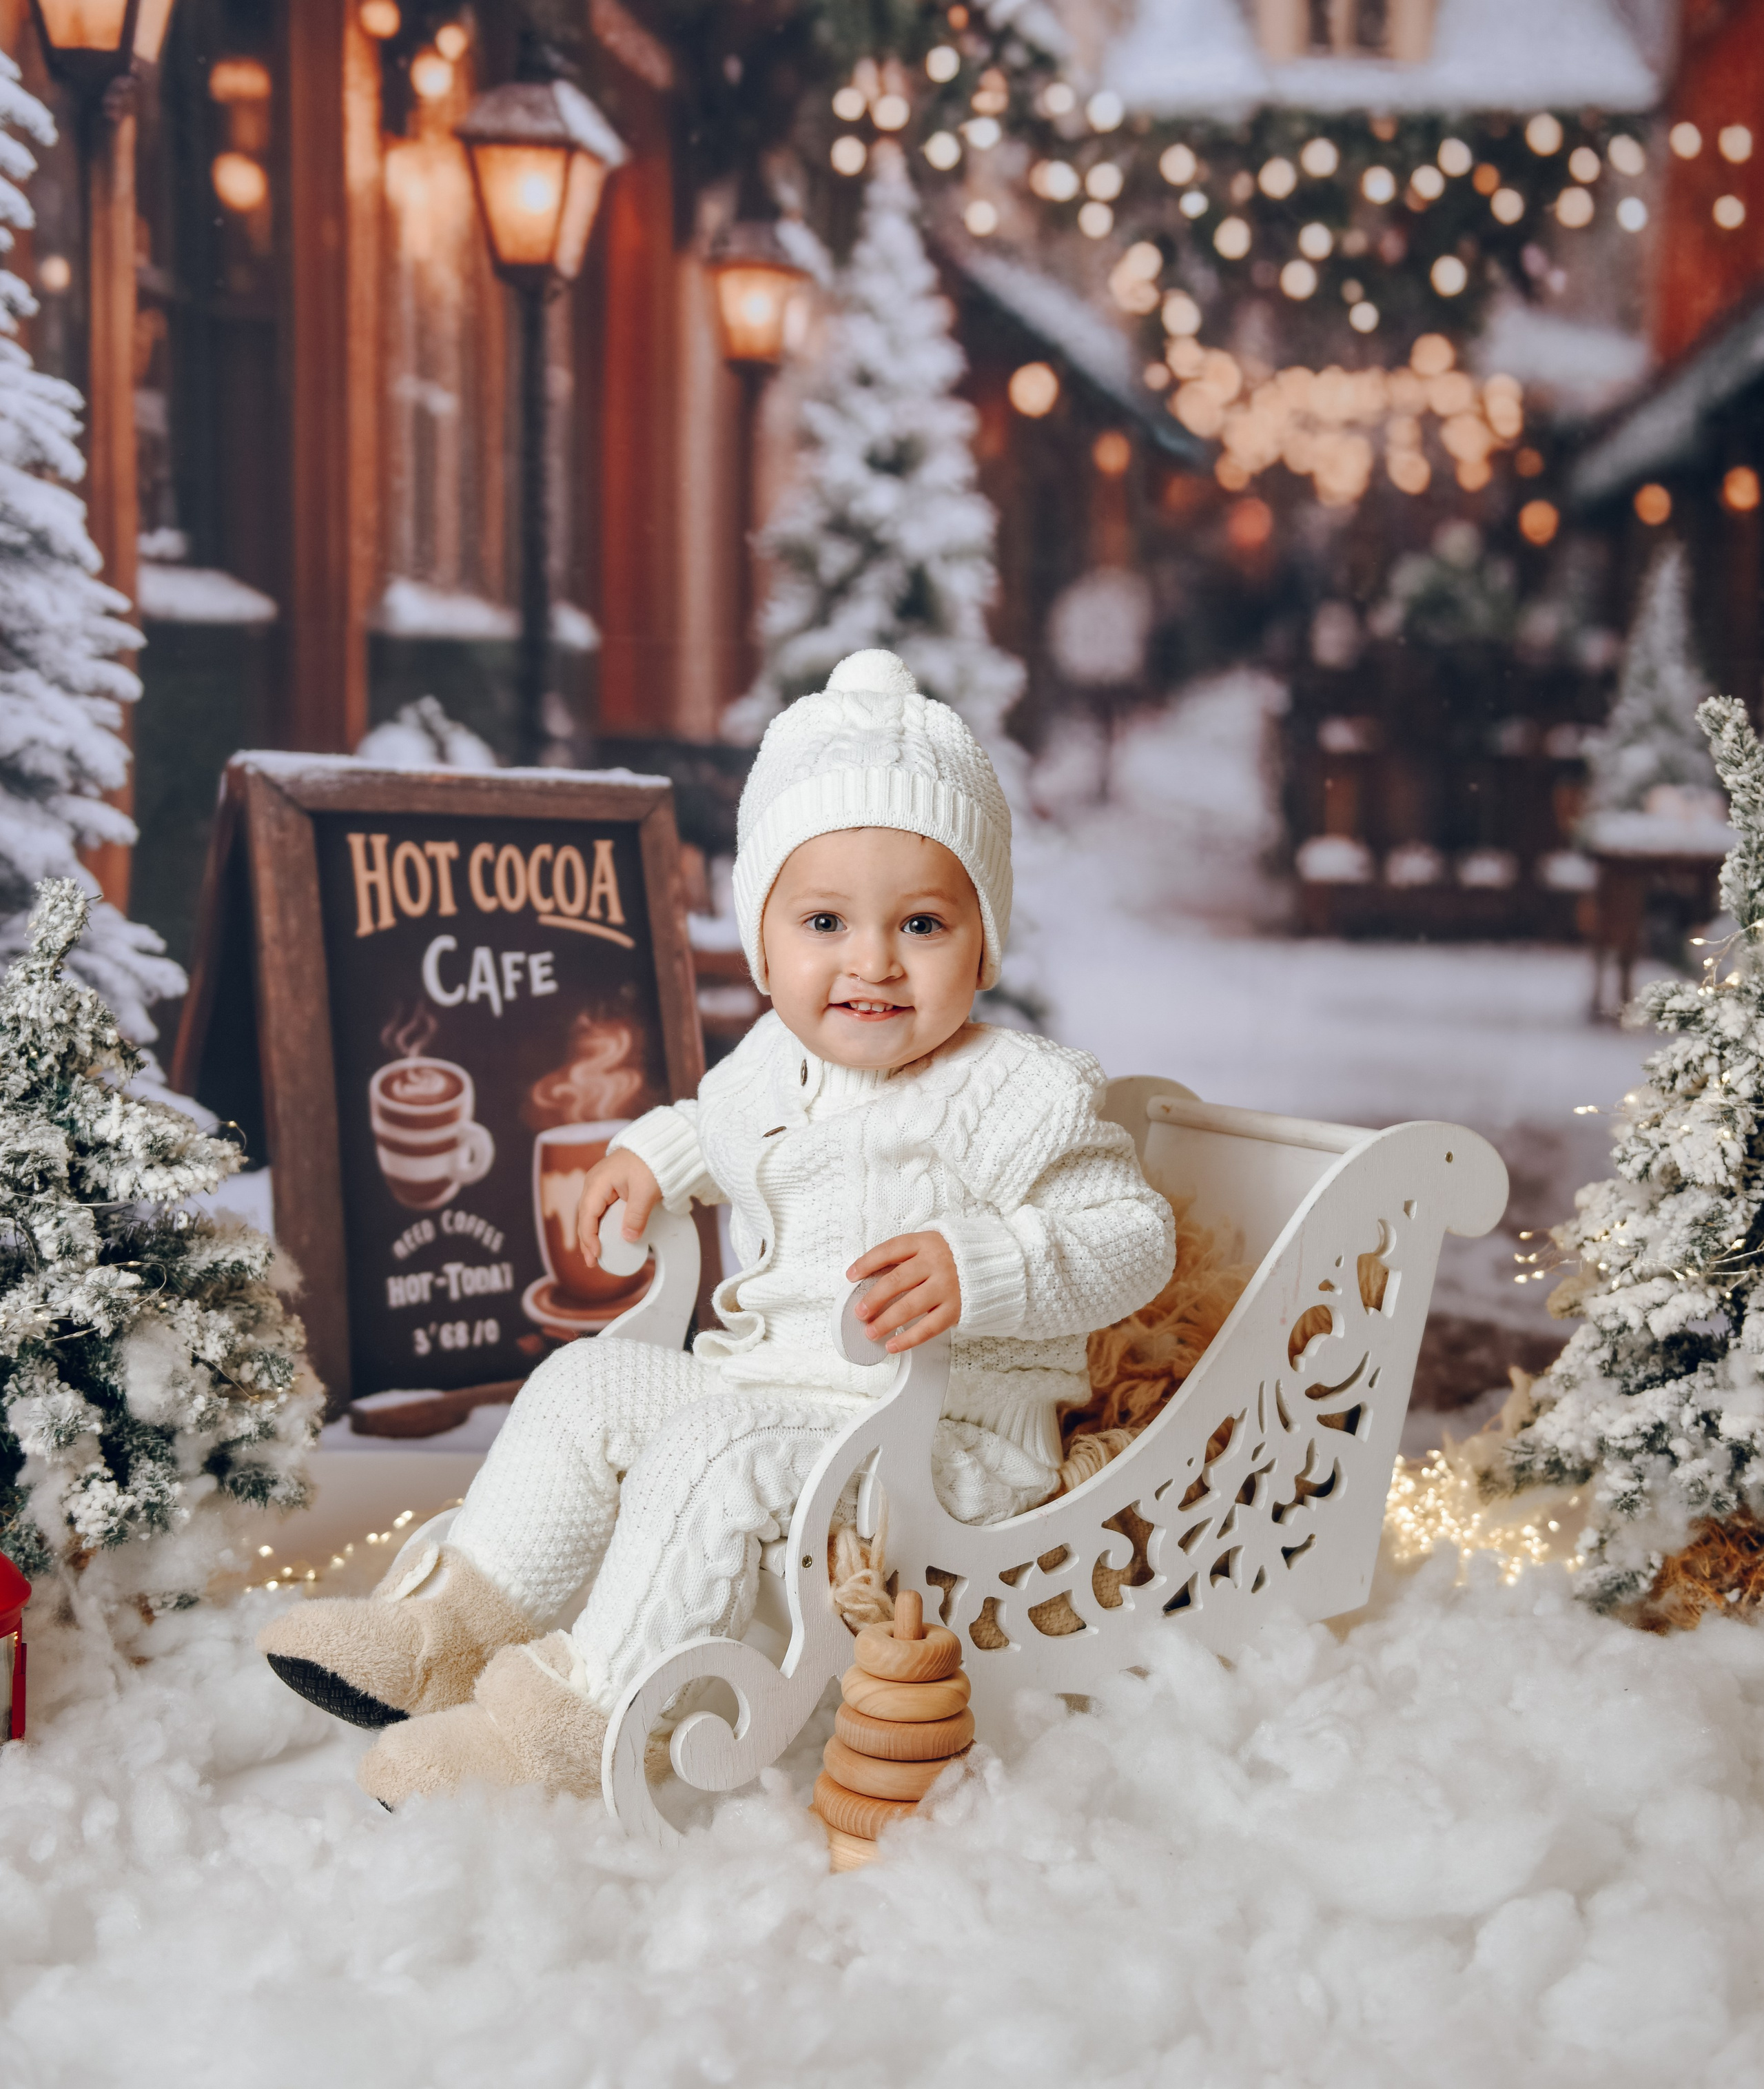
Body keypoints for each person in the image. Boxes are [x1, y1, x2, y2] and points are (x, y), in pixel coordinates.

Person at [260, 650, 1175, 1804]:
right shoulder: (772, 1063)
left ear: (983, 943)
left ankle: (571, 1727)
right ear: (765, 946)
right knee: (586, 1384)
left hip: (935, 1451)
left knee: (713, 1456)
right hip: (767, 1395)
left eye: (923, 923)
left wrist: (984, 1265)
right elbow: (722, 1125)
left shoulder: (1020, 1091)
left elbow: (1133, 1235)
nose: (873, 961)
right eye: (826, 920)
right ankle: (451, 1630)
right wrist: (656, 1153)